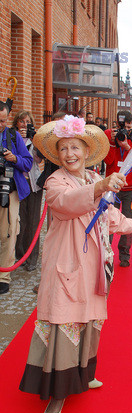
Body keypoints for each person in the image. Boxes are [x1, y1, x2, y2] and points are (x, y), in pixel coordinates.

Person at [19, 115, 132, 413]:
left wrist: (128, 224)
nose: (70, 153)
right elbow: (66, 204)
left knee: (89, 318)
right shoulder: (55, 181)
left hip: (94, 264)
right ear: (58, 154)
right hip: (66, 263)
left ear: (86, 151)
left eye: (75, 147)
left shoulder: (90, 178)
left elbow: (107, 214)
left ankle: (84, 373)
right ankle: (56, 394)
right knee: (63, 319)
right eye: (64, 148)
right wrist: (100, 186)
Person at [104, 110, 132, 267]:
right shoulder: (109, 134)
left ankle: (124, 254)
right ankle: (105, 252)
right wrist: (113, 143)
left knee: (129, 221)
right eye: (122, 126)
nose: (124, 130)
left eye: (128, 127)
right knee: (107, 219)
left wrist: (128, 146)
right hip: (112, 186)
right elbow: (108, 161)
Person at [0, 101, 33, 294]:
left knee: (9, 232)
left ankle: (3, 276)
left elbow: (28, 163)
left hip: (9, 189)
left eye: (4, 121)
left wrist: (15, 159)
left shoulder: (13, 136)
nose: (1, 124)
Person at [13, 110, 43, 272]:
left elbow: (38, 160)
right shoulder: (11, 138)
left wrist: (34, 141)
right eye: (22, 121)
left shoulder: (35, 139)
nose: (24, 124)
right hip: (17, 185)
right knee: (20, 222)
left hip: (33, 185)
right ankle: (20, 254)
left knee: (33, 223)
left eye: (27, 121)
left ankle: (32, 258)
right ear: (17, 123)